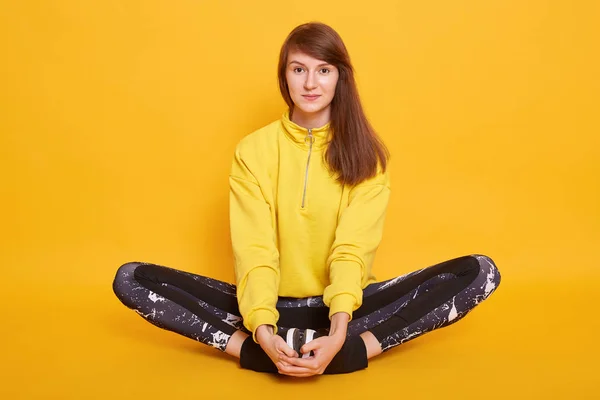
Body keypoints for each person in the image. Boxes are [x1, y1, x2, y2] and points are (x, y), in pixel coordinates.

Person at [112, 21, 501, 377]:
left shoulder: (367, 156)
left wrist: (338, 327)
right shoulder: (254, 150)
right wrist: (262, 326)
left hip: (347, 310)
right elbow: (255, 250)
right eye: (299, 69)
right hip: (266, 306)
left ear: (339, 78)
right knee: (132, 279)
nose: (310, 83)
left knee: (479, 272)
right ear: (285, 76)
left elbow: (352, 251)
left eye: (323, 70)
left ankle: (347, 349)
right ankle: (259, 349)